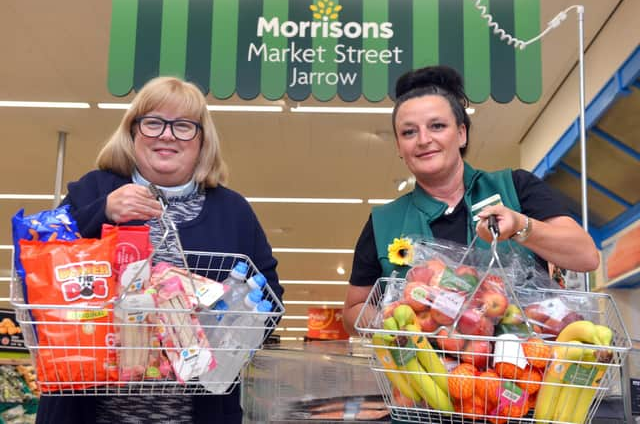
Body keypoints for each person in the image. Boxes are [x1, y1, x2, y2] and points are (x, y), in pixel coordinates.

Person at [36, 76, 283, 424]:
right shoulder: (94, 189)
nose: (166, 135)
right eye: (153, 122)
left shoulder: (233, 211)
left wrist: (223, 321)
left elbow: (271, 301)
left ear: (202, 141)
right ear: (133, 132)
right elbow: (43, 268)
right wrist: (101, 212)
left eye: (183, 126)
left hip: (199, 413)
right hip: (88, 410)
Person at [343, 65, 600, 334]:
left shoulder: (516, 188)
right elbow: (352, 310)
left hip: (525, 367)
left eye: (437, 126)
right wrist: (396, 319)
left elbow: (585, 257)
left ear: (462, 133)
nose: (423, 139)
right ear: (399, 146)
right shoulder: (383, 223)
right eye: (409, 132)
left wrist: (521, 227)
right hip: (429, 370)